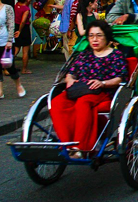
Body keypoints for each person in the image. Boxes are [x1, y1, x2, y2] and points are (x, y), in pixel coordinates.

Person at [50, 20, 128, 156]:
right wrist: (70, 80)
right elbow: (71, 73)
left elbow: (120, 78)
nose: (95, 40)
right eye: (91, 36)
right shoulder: (84, 55)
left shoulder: (116, 56)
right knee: (57, 102)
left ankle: (80, 146)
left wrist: (103, 83)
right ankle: (66, 143)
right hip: (79, 89)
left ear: (107, 37)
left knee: (83, 103)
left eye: (99, 35)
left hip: (102, 90)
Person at [13, 0, 35, 75]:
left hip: (16, 26)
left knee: (16, 49)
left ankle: (7, 66)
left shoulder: (16, 6)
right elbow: (23, 21)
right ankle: (24, 69)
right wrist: (20, 30)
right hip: (23, 28)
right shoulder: (26, 9)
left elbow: (25, 3)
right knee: (25, 51)